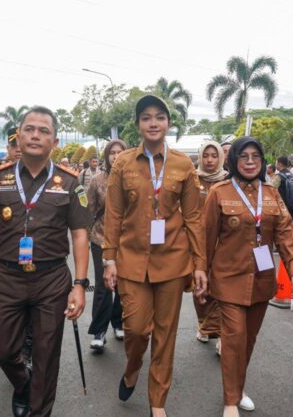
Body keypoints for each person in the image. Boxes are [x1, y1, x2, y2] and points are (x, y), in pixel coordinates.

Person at [0, 106, 91, 417]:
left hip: (52, 279)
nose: (36, 135)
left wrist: (79, 284)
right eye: (30, 129)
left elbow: (79, 235)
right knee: (5, 350)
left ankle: (39, 409)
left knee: (47, 353)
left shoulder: (70, 182)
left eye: (44, 131)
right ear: (19, 136)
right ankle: (23, 383)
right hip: (8, 278)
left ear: (55, 140)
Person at [103, 95, 207, 417]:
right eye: (146, 117)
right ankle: (133, 366)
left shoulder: (183, 165)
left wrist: (200, 264)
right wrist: (109, 259)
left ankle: (157, 402)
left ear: (168, 124)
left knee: (166, 334)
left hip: (173, 262)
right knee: (136, 330)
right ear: (138, 124)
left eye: (159, 117)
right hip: (132, 261)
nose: (152, 123)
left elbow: (193, 218)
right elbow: (113, 215)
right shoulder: (122, 163)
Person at [201, 137, 293, 417]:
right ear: (233, 160)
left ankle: (239, 388)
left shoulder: (272, 194)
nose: (249, 162)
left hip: (261, 280)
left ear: (262, 162)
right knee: (234, 338)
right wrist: (200, 275)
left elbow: (286, 235)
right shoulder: (219, 193)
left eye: (255, 157)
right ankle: (230, 400)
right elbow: (206, 238)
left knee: (248, 340)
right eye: (243, 156)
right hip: (227, 279)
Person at [87, 139, 127, 352]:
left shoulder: (133, 178)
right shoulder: (97, 180)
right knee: (103, 286)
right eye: (112, 152)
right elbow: (89, 210)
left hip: (127, 241)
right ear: (106, 155)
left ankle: (118, 322)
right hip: (100, 239)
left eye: (120, 152)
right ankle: (99, 332)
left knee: (123, 284)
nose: (116, 156)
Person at [193, 141, 226, 345]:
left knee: (221, 287)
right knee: (199, 285)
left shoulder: (229, 180)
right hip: (197, 242)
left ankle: (222, 333)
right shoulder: (193, 179)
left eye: (214, 155)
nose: (210, 160)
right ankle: (204, 324)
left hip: (222, 242)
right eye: (206, 155)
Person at [271, 156, 293, 231]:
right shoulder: (291, 174)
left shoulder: (279, 176)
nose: (276, 165)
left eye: (276, 163)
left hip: (283, 204)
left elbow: (271, 189)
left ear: (279, 164)